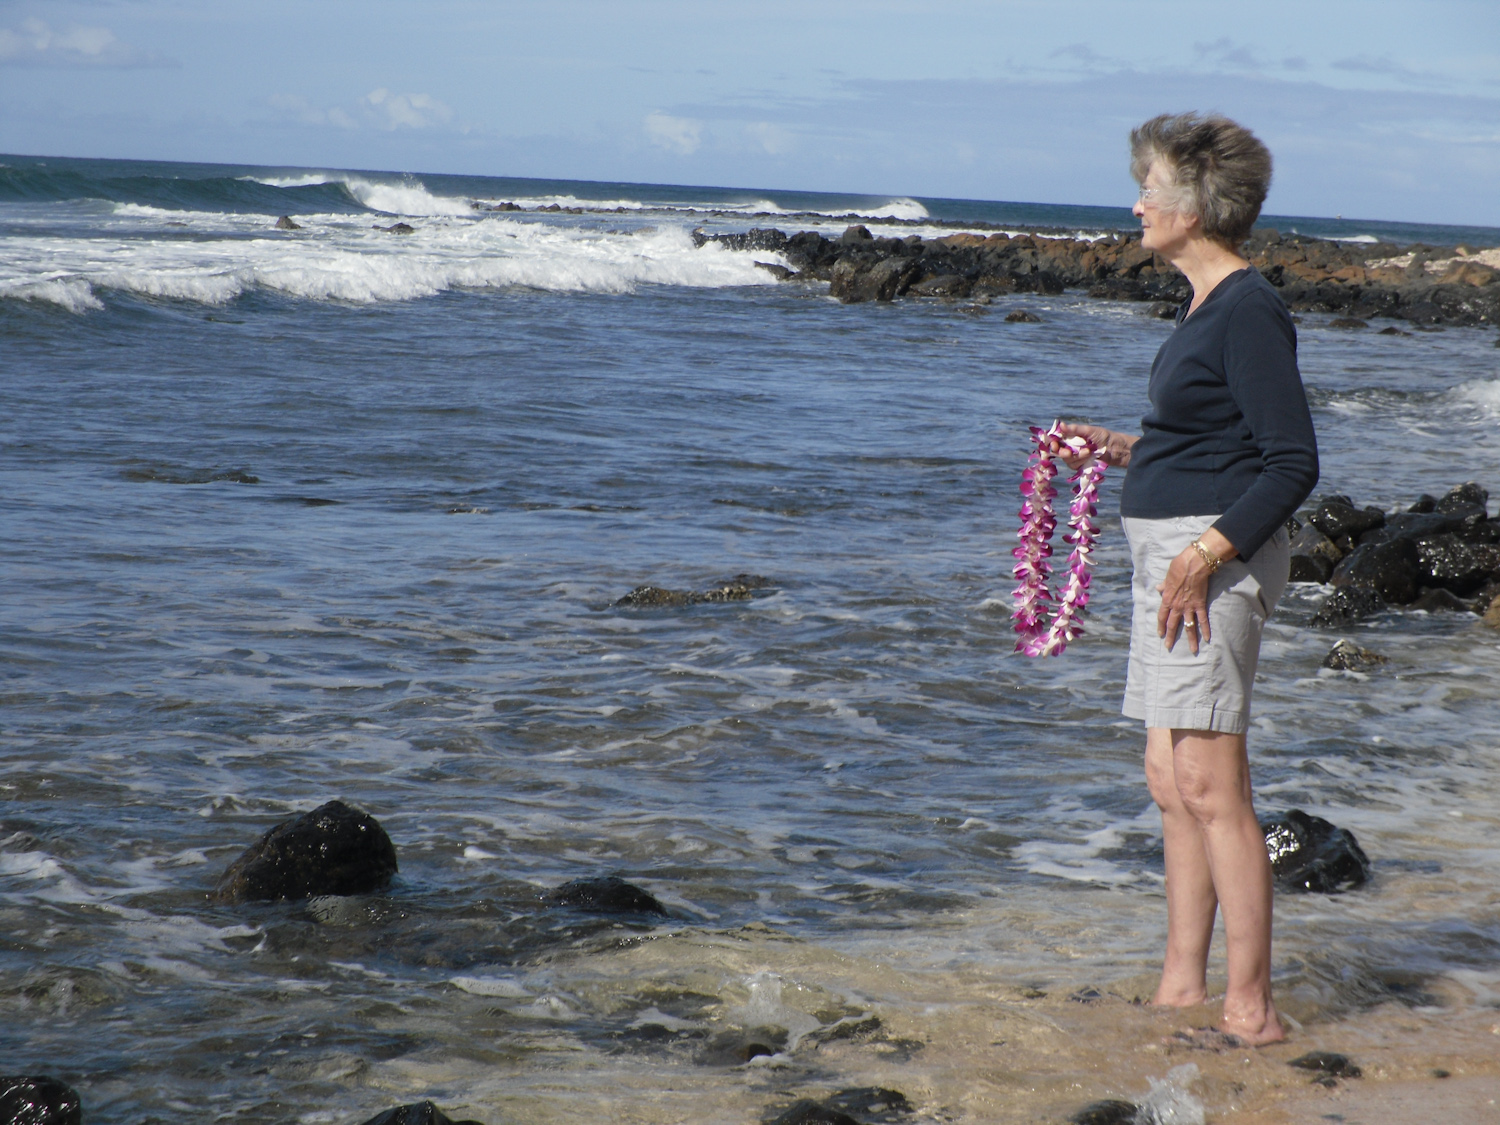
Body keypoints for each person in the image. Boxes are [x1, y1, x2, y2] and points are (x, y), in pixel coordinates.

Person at [1054, 112, 1318, 1045]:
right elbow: (1214, 441)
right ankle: (1181, 986)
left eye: (1152, 188)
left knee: (1211, 784)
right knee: (1169, 778)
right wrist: (1126, 447)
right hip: (1173, 553)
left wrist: (1207, 557)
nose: (1137, 205)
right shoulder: (1205, 307)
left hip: (1207, 562)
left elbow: (1290, 463)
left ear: (1198, 205)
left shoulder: (1249, 307)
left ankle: (1250, 1010)